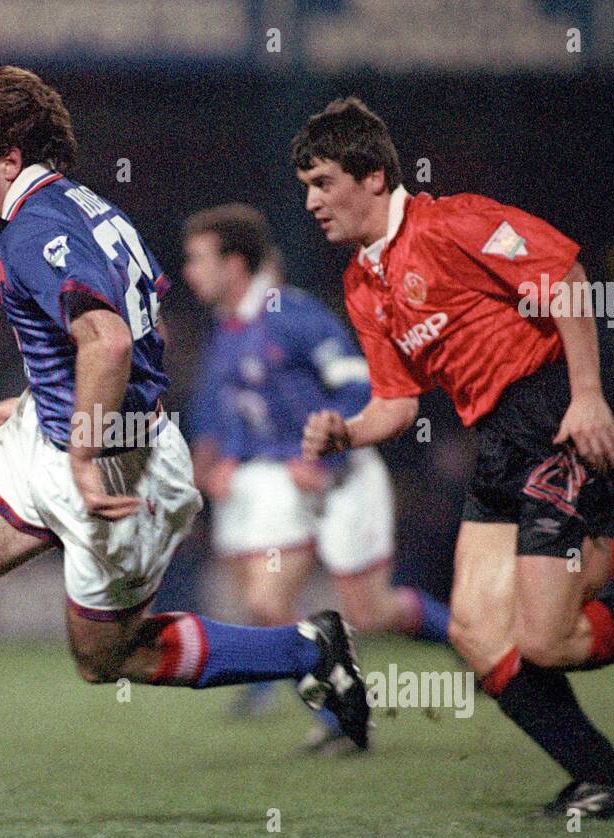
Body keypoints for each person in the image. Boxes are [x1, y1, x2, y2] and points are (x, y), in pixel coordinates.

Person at [0, 67, 369, 823]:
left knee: (109, 659)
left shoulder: (35, 229)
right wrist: (45, 401)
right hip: (59, 435)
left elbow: (109, 343)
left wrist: (83, 448)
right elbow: (147, 336)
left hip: (120, 463)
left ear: (8, 158)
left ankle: (308, 650)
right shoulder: (82, 207)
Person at [294, 97, 614, 818]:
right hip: (497, 444)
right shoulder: (365, 284)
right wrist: (346, 432)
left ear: (371, 176)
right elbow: (396, 404)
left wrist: (586, 395)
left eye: (323, 182)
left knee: (548, 641)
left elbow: (566, 277)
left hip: (552, 418)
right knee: (475, 633)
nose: (311, 201)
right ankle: (608, 780)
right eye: (305, 185)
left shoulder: (452, 222)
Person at [182, 203, 449, 750]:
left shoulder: (292, 314)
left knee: (370, 612)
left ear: (234, 265)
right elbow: (234, 409)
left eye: (197, 259)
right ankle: (339, 719)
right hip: (282, 482)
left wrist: (323, 456)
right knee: (265, 604)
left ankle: (473, 642)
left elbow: (355, 386)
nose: (188, 271)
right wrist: (221, 456)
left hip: (344, 477)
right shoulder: (229, 327)